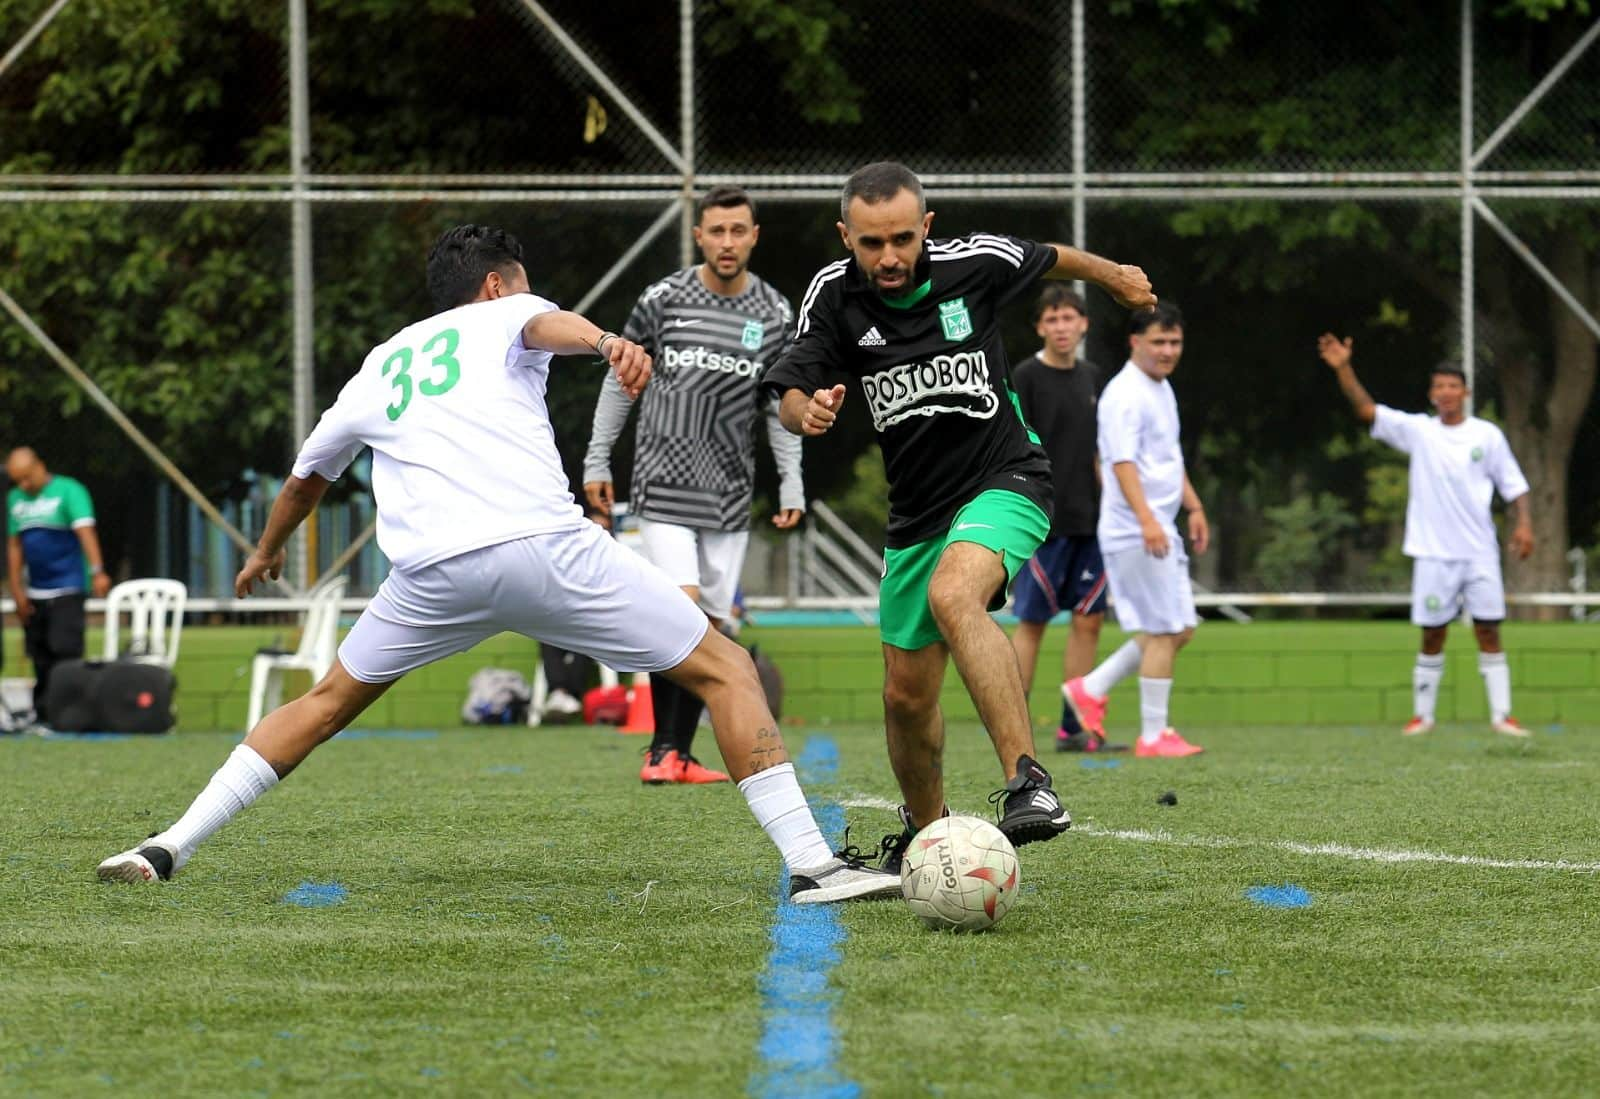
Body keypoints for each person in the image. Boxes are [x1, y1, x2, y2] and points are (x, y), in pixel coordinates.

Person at [96, 224, 899, 905]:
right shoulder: (508, 311)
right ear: (494, 286)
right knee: (725, 666)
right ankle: (811, 862)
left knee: (328, 699)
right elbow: (546, 327)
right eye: (525, 290)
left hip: (430, 575)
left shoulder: (383, 361)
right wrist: (606, 340)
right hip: (539, 546)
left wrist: (267, 551)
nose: (532, 299)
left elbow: (309, 476)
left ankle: (167, 844)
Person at [762, 161, 1156, 868]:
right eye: (871, 242)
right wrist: (807, 410)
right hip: (916, 511)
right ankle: (923, 831)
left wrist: (1116, 276)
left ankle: (1030, 781)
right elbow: (791, 384)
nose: (888, 257)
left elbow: (1050, 256)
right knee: (905, 697)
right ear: (845, 234)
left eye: (903, 239)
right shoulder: (832, 293)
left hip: (1006, 477)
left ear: (927, 229)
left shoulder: (972, 264)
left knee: (954, 593)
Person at [583, 185, 804, 787]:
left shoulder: (774, 314)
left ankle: (674, 753)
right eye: (717, 231)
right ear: (699, 235)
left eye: (739, 230)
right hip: (664, 485)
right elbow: (619, 379)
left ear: (754, 236)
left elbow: (778, 406)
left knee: (706, 625)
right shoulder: (663, 299)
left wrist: (792, 483)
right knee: (677, 609)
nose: (727, 242)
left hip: (729, 496)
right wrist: (598, 460)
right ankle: (660, 750)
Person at [1317, 333, 1534, 737]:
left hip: (1480, 552)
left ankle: (1502, 716)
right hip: (1433, 553)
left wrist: (1524, 524)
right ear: (1432, 394)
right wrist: (1343, 367)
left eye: (1453, 385)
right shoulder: (1419, 431)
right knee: (1433, 632)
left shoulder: (1487, 436)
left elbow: (1514, 486)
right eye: (1439, 386)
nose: (1446, 392)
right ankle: (1423, 716)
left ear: (1466, 392)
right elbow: (1367, 410)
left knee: (1489, 629)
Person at [1063, 305, 1207, 759]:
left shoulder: (1160, 389)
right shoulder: (1124, 394)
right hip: (1135, 530)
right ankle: (1153, 735)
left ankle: (1091, 688)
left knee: (1180, 629)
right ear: (1135, 342)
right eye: (1158, 342)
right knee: (1165, 629)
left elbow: (1168, 458)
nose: (1167, 351)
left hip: (1159, 525)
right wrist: (1146, 519)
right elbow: (1120, 462)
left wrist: (1194, 505)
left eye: (1175, 343)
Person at [1006, 285, 1121, 753]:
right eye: (1052, 319)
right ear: (1040, 327)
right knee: (1032, 621)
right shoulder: (1026, 376)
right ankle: (1011, 726)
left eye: (1069, 318)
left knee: (1088, 621)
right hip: (1042, 520)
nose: (1061, 327)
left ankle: (1076, 726)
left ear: (1084, 325)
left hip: (1091, 522)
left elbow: (1102, 452)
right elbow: (1015, 444)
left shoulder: (1094, 377)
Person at [6, 447, 112, 726]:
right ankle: (42, 715)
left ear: (40, 466)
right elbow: (15, 546)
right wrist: (16, 589)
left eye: (27, 478)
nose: (24, 486)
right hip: (34, 591)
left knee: (65, 650)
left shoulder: (68, 490)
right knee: (39, 656)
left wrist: (98, 571)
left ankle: (69, 714)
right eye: (18, 481)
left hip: (68, 586)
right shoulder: (16, 499)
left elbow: (85, 532)